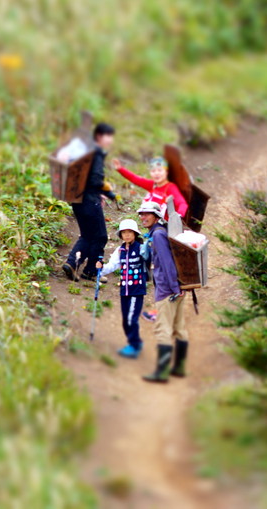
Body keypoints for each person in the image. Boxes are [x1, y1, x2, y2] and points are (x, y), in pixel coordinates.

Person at [137, 199, 189, 382]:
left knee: (163, 329)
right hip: (176, 287)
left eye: (147, 213)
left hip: (168, 290)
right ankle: (180, 368)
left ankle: (162, 372)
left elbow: (166, 263)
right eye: (141, 214)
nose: (143, 217)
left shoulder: (158, 235)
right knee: (179, 328)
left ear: (156, 215)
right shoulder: (159, 232)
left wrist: (174, 289)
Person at [62, 122, 117, 282]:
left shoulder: (83, 152)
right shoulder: (96, 153)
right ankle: (91, 271)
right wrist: (108, 192)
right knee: (100, 236)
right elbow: (95, 179)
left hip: (77, 199)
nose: (110, 140)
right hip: (90, 200)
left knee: (87, 234)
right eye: (109, 136)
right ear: (99, 136)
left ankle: (72, 263)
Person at [95, 217, 151, 359]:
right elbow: (112, 266)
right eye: (124, 232)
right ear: (120, 235)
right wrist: (100, 269)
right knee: (126, 319)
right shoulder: (119, 251)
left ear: (135, 234)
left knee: (132, 318)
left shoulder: (141, 248)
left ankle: (134, 345)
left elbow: (151, 260)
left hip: (137, 289)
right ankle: (134, 342)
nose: (126, 235)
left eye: (130, 232)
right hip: (124, 290)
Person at [113, 156, 187, 222]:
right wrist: (120, 169)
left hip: (165, 225)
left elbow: (182, 203)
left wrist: (179, 215)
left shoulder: (170, 188)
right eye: (153, 171)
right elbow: (135, 179)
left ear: (166, 172)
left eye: (160, 170)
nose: (156, 173)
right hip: (151, 223)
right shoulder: (152, 185)